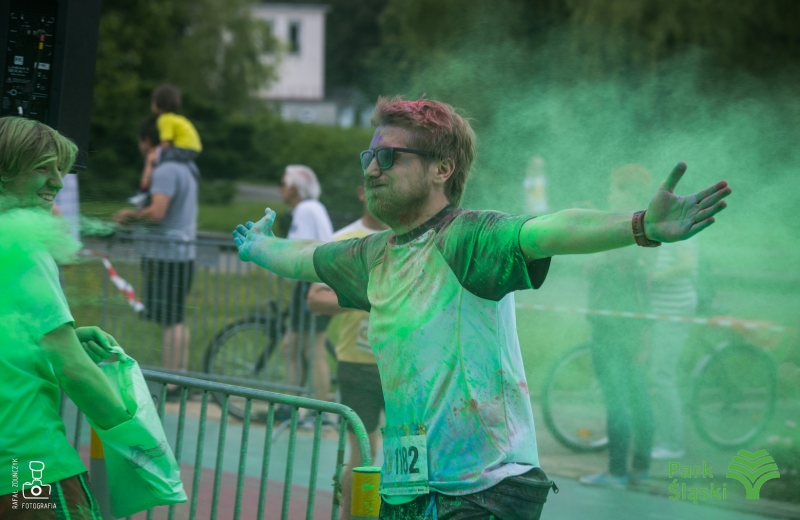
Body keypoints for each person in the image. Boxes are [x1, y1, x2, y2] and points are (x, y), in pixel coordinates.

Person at [232, 96, 731, 519]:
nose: (371, 168)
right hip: (409, 487)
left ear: (441, 169)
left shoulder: (468, 237)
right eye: (369, 156)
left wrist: (640, 225)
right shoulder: (374, 256)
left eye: (390, 157)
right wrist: (257, 247)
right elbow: (304, 259)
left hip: (484, 491)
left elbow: (550, 228)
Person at [0, 117, 131, 518]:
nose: (57, 182)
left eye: (60, 168)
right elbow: (72, 367)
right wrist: (138, 439)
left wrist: (63, 336)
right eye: (42, 167)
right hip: (29, 468)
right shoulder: (23, 247)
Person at [306, 181, 389, 520]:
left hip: (404, 366)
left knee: (411, 459)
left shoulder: (413, 237)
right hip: (358, 364)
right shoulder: (343, 240)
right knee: (364, 457)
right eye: (372, 187)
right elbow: (315, 299)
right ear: (359, 191)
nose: (379, 193)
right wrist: (367, 297)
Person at [578, 164, 656, 489]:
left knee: (618, 400)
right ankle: (639, 468)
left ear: (628, 193)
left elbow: (592, 265)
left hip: (611, 326)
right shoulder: (646, 228)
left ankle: (616, 473)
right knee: (638, 395)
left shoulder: (620, 232)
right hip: (637, 324)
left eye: (614, 189)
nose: (610, 194)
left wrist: (592, 222)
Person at [114, 117, 199, 379]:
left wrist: (130, 215)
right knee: (175, 319)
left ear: (147, 141)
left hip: (167, 256)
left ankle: (171, 383)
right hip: (181, 254)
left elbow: (157, 211)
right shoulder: (187, 166)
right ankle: (178, 377)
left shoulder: (166, 170)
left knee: (170, 320)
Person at [278, 165, 334, 406]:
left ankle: (318, 409)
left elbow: (293, 251)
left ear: (293, 188)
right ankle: (292, 405)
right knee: (292, 347)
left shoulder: (304, 209)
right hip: (317, 282)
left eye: (283, 184)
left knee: (312, 349)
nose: (280, 189)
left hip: (314, 285)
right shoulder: (313, 208)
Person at [648, 239, 699, 460]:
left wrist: (654, 278)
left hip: (673, 311)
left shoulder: (680, 230)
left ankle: (673, 444)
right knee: (652, 374)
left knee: (661, 376)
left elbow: (688, 265)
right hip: (655, 311)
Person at [130, 85, 202, 208]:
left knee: (151, 158)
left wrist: (154, 151)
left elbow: (166, 142)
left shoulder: (164, 119)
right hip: (193, 149)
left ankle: (142, 191)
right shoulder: (179, 118)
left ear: (157, 104)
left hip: (183, 149)